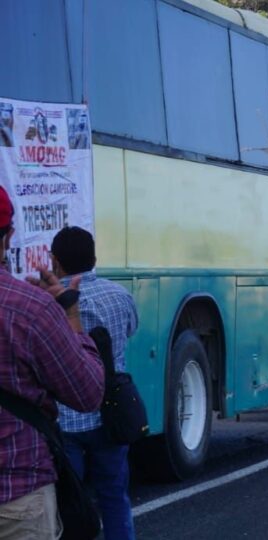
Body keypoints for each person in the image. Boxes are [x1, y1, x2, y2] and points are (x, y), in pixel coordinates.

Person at [0, 186, 105, 538]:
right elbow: (88, 392)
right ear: (9, 236)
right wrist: (71, 316)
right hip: (18, 496)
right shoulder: (31, 309)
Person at [50, 226, 139, 540]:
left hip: (65, 418)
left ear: (54, 261)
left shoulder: (46, 301)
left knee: (69, 506)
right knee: (114, 497)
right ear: (94, 259)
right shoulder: (118, 295)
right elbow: (130, 330)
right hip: (110, 413)